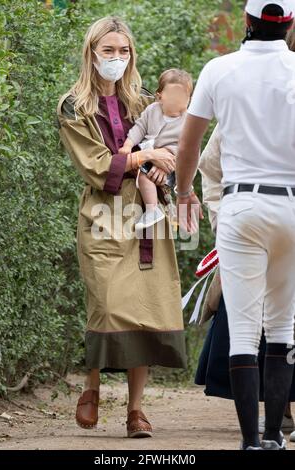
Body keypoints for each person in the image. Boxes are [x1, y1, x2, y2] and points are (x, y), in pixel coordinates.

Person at [57, 16, 187, 439]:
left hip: (148, 212)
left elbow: (171, 149)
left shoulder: (145, 101)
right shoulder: (73, 106)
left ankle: (136, 411)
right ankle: (92, 382)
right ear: (91, 52)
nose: (116, 57)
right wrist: (144, 158)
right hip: (102, 214)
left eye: (123, 50)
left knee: (147, 308)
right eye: (108, 50)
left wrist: (164, 169)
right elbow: (95, 165)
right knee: (108, 302)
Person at [176, 0, 295, 450]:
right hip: (292, 205)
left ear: (247, 21)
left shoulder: (219, 68)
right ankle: (275, 439)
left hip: (242, 204)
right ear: (290, 24)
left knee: (244, 329)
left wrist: (184, 191)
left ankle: (250, 442)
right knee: (284, 327)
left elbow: (191, 143)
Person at [195, 123, 295, 439]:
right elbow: (210, 166)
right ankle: (281, 414)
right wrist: (223, 221)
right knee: (264, 325)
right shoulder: (238, 108)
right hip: (253, 229)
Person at [119, 69, 193, 231]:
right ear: (160, 97)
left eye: (184, 98)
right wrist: (128, 145)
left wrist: (170, 158)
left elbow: (190, 148)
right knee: (144, 177)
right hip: (150, 155)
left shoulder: (188, 120)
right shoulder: (152, 110)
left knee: (145, 178)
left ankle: (153, 210)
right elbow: (139, 128)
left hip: (173, 162)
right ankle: (159, 210)